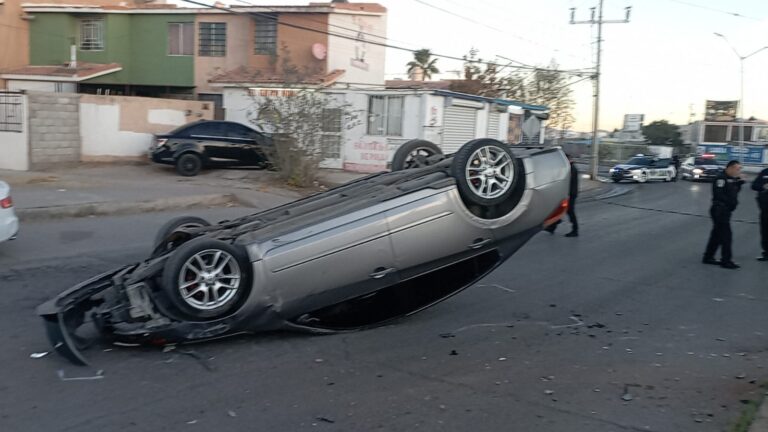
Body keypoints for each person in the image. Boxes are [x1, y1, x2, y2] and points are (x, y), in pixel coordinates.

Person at [703, 160, 744, 269]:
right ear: (730, 168)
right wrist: (730, 203)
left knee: (716, 235)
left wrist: (739, 184)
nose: (738, 171)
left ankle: (708, 257)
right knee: (726, 236)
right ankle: (726, 261)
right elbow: (719, 194)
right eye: (737, 169)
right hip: (720, 210)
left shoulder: (731, 179)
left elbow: (733, 192)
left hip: (726, 211)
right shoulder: (720, 178)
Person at [545, 153, 579, 237]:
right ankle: (552, 226)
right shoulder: (569, 168)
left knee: (569, 211)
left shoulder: (571, 169)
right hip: (566, 193)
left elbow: (567, 181)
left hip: (570, 194)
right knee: (559, 209)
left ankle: (575, 230)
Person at [751, 166, 768, 261]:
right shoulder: (765, 172)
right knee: (765, 231)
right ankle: (766, 253)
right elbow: (754, 185)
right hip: (765, 209)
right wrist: (763, 186)